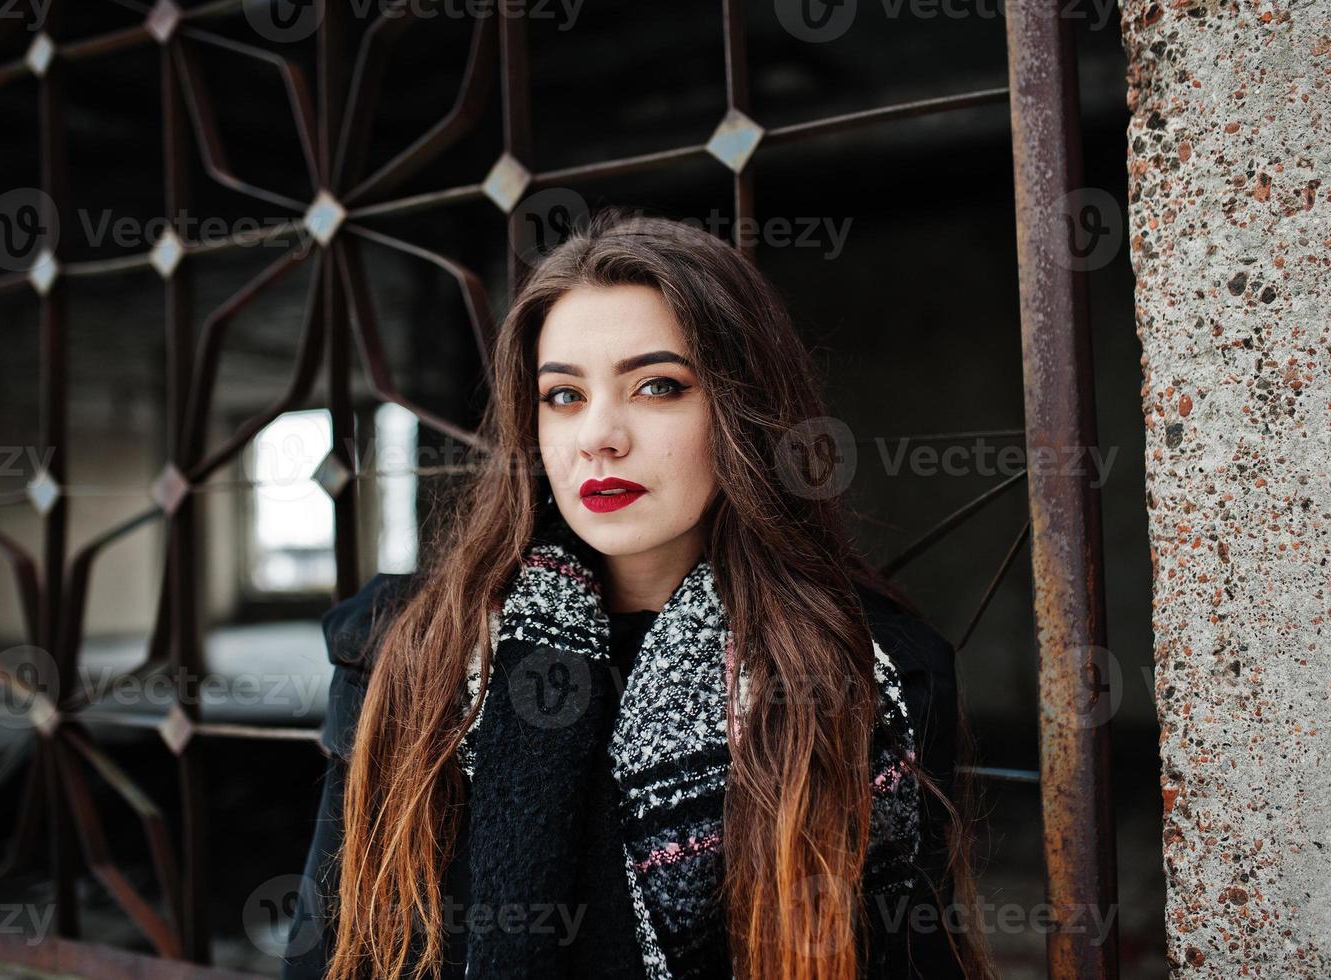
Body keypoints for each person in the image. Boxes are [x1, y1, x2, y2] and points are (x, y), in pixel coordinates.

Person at [283, 209, 997, 980]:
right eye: (563, 395)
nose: (599, 435)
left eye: (657, 387)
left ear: (741, 410)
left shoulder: (861, 672)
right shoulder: (410, 646)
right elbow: (329, 953)